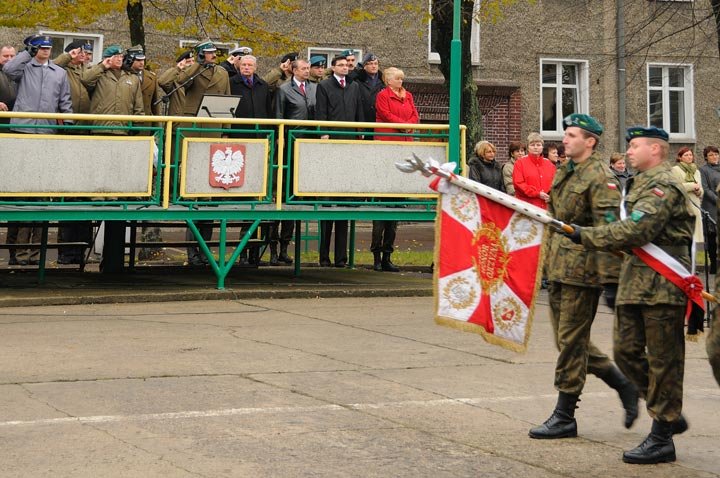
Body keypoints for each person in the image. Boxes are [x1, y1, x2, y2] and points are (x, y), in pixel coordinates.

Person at [566, 125, 693, 464]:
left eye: (636, 146)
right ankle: (666, 410)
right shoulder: (638, 183)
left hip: (663, 287)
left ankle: (663, 434)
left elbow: (637, 229)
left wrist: (586, 235)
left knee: (665, 361)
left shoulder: (664, 184)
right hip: (634, 282)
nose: (629, 151)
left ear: (656, 150)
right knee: (625, 352)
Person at [529, 114, 638, 440]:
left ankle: (565, 415)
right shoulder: (565, 170)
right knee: (567, 341)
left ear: (589, 141)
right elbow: (555, 218)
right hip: (560, 268)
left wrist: (609, 280)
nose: (565, 139)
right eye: (566, 134)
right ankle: (623, 384)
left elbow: (608, 231)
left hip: (584, 272)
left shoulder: (600, 177)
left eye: (573, 135)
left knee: (572, 345)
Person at [159, 41, 230, 266]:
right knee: (195, 192)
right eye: (207, 53)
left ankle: (205, 250)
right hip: (194, 128)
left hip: (214, 128)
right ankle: (192, 251)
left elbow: (227, 99)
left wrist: (226, 131)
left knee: (210, 194)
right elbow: (175, 82)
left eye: (212, 53)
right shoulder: (193, 71)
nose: (211, 56)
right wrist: (193, 65)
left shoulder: (222, 72)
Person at [4, 35, 72, 266]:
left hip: (46, 131)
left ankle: (35, 254)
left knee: (41, 194)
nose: (45, 51)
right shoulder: (25, 68)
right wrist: (26, 52)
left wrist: (69, 122)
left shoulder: (59, 73)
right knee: (23, 195)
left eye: (47, 48)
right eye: (41, 47)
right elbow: (9, 69)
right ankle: (19, 253)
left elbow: (65, 101)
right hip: (23, 129)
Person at [315, 54, 364, 268]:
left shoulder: (354, 86)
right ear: (333, 67)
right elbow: (321, 110)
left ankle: (341, 257)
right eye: (341, 65)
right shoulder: (325, 86)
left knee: (343, 202)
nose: (345, 68)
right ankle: (324, 256)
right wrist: (324, 132)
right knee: (328, 201)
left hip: (349, 143)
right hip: (332, 142)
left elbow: (359, 111)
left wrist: (360, 131)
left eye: (347, 65)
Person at [372, 66, 419, 272]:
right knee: (383, 208)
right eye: (398, 79)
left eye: (402, 79)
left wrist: (410, 126)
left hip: (404, 144)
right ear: (388, 80)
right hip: (388, 144)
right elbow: (385, 114)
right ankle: (376, 254)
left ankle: (388, 254)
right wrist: (402, 125)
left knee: (395, 210)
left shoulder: (407, 96)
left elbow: (415, 114)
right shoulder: (383, 95)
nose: (401, 82)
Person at [53, 40, 95, 265]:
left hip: (86, 132)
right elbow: (54, 64)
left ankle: (81, 251)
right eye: (81, 52)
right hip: (68, 131)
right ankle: (66, 252)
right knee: (69, 194)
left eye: (87, 53)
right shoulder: (62, 69)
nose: (85, 56)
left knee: (84, 195)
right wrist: (69, 56)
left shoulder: (88, 72)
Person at [273, 59, 317, 266]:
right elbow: (279, 115)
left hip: (308, 144)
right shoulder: (284, 89)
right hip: (290, 142)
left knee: (294, 198)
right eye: (303, 69)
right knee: (282, 195)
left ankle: (284, 247)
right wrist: (281, 140)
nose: (307, 72)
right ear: (294, 70)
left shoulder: (314, 88)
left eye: (309, 69)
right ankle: (273, 248)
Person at [671, 147, 705, 337]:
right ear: (680, 157)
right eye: (686, 155)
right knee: (689, 236)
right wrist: (692, 187)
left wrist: (699, 190)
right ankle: (687, 263)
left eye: (691, 155)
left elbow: (701, 189)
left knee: (698, 238)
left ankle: (696, 264)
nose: (689, 157)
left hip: (696, 205)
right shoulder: (677, 170)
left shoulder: (696, 170)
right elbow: (678, 187)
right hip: (685, 206)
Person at [1, 44, 18, 264]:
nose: (9, 59)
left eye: (13, 56)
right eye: (6, 55)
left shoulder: (19, 76)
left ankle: (16, 255)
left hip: (15, 131)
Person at [512, 132, 555, 209]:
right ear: (528, 148)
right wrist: (537, 193)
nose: (535, 147)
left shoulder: (550, 165)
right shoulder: (519, 163)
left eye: (538, 145)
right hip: (526, 207)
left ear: (542, 147)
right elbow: (519, 184)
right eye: (532, 145)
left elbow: (555, 185)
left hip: (546, 207)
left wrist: (552, 196)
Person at [699, 146, 720, 274]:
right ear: (706, 157)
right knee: (712, 237)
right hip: (711, 206)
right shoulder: (703, 170)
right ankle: (713, 263)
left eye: (716, 154)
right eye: (711, 155)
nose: (714, 157)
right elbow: (705, 189)